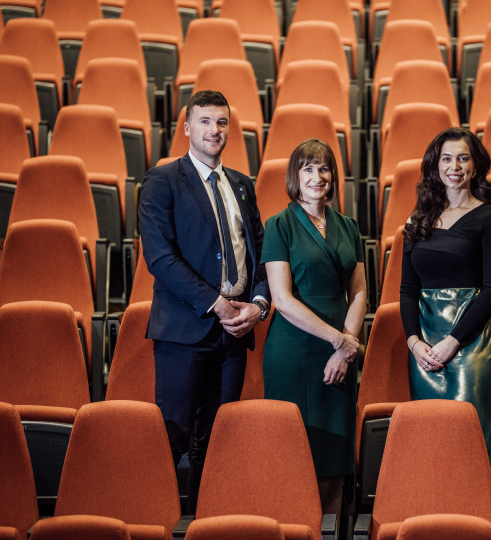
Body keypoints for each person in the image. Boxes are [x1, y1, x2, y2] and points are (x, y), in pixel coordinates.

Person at [138, 90, 270, 514]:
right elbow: (159, 257)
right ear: (187, 128)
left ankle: (205, 521)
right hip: (185, 328)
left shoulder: (242, 185)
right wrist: (216, 303)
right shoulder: (162, 180)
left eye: (222, 122)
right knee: (172, 435)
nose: (215, 130)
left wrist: (259, 304)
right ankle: (155, 520)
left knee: (216, 441)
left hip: (235, 332)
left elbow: (262, 254)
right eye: (206, 121)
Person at [262, 138, 367, 514]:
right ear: (295, 176)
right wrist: (340, 340)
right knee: (294, 450)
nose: (317, 176)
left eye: (323, 168)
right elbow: (284, 300)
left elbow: (359, 293)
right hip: (294, 349)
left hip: (342, 347)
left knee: (335, 453)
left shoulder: (349, 226)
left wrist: (347, 344)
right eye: (307, 168)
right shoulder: (278, 225)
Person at [400, 127, 491, 459]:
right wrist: (413, 342)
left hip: (471, 344)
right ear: (436, 166)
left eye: (463, 158)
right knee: (429, 438)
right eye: (447, 158)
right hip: (424, 347)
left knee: (468, 438)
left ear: (476, 165)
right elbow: (408, 290)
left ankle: (475, 511)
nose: (455, 166)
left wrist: (454, 341)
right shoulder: (418, 220)